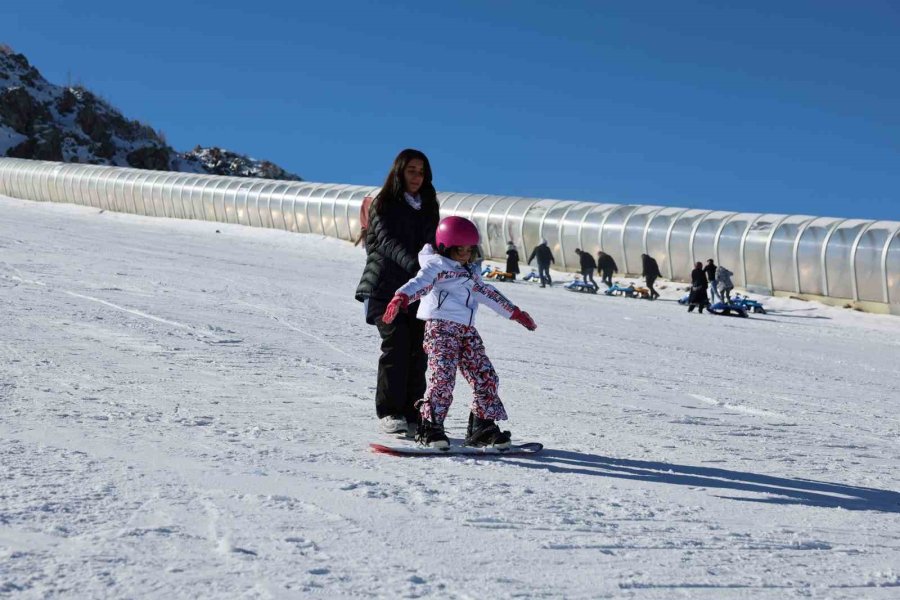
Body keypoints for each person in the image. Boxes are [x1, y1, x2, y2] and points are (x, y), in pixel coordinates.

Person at [382, 216, 537, 449]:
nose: (465, 254)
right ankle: (431, 427)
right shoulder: (436, 267)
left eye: (469, 249)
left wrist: (515, 313)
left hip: (466, 331)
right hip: (441, 329)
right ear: (445, 247)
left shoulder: (471, 273)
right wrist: (402, 296)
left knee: (486, 376)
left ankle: (482, 427)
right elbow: (421, 283)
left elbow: (488, 293)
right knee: (442, 377)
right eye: (459, 249)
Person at [354, 149, 440, 436]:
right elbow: (388, 243)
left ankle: (414, 412)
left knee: (420, 348)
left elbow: (431, 244)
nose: (418, 177)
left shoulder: (428, 205)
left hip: (416, 291)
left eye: (422, 171)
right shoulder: (383, 203)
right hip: (383, 287)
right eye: (412, 170)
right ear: (400, 172)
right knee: (397, 343)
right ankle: (390, 411)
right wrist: (419, 266)